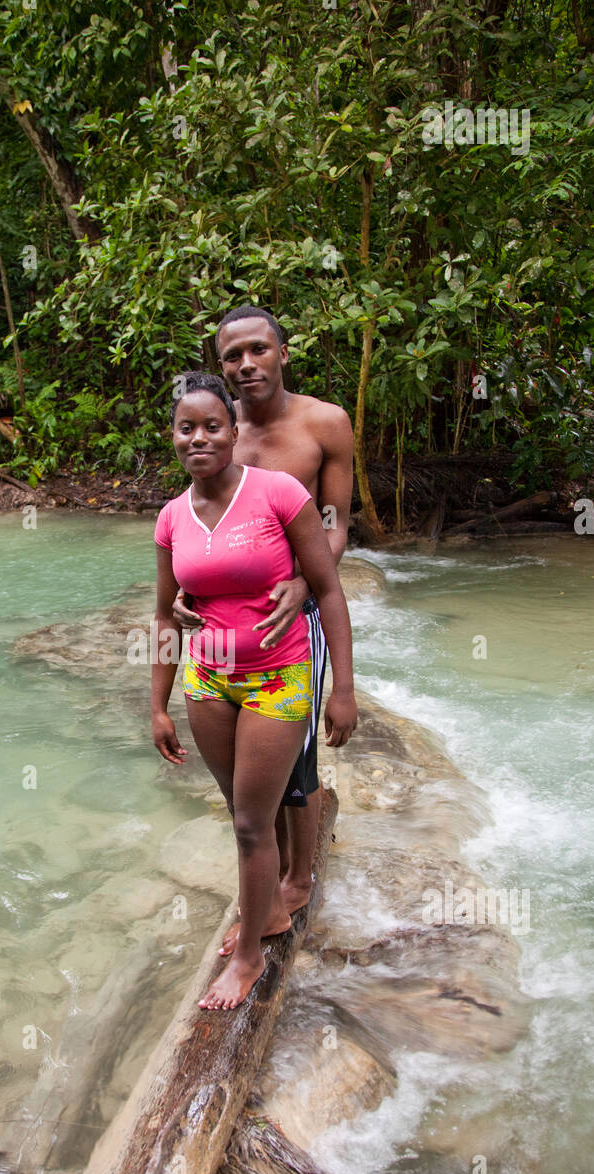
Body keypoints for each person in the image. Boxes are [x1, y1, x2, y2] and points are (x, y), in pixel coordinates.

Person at [152, 373, 357, 1010]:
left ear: (233, 432)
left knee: (248, 821)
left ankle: (248, 955)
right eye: (187, 428)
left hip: (279, 674)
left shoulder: (279, 493)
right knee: (245, 814)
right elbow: (165, 615)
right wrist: (156, 703)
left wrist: (343, 689)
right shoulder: (169, 517)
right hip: (207, 680)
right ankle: (267, 908)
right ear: (174, 439)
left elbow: (326, 590)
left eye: (212, 425)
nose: (200, 437)